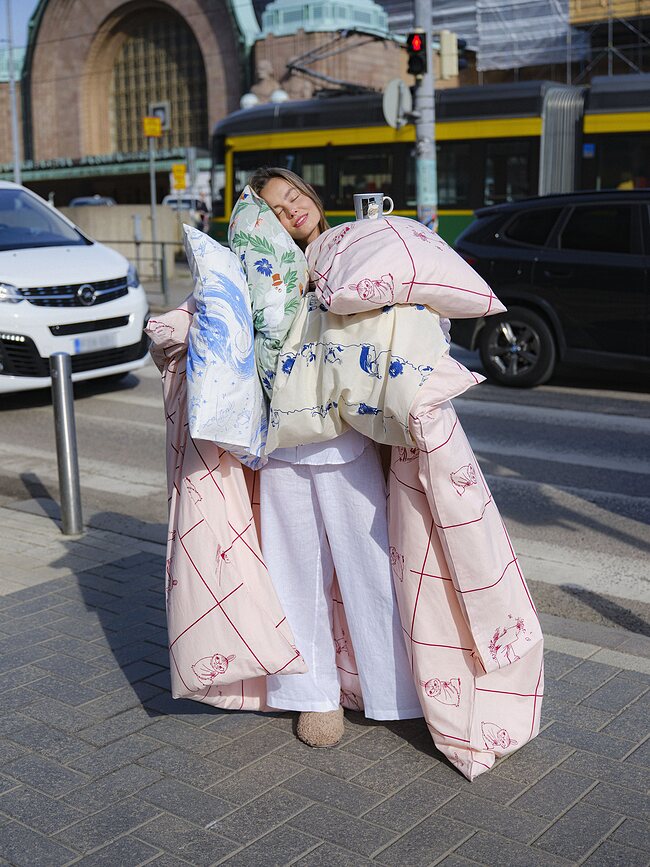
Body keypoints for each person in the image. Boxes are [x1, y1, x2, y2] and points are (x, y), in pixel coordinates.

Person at [248, 167, 422, 747]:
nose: (289, 210)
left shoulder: (348, 246)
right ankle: (311, 694)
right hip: (281, 441)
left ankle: (393, 687)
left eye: (293, 196)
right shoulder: (257, 268)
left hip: (345, 435)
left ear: (312, 196)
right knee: (293, 570)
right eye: (274, 208)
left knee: (369, 564)